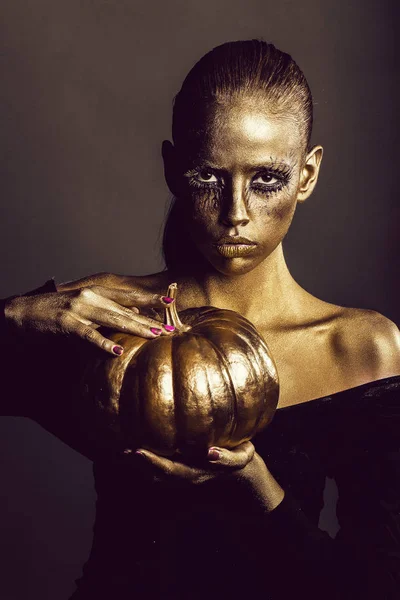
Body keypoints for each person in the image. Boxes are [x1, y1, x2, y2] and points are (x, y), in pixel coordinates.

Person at [1, 39, 399, 599]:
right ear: (172, 169)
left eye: (266, 179)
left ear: (307, 175)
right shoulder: (113, 320)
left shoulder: (361, 348)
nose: (236, 213)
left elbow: (373, 588)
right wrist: (17, 315)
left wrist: (258, 486)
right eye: (207, 177)